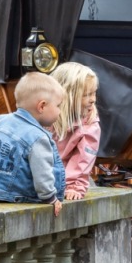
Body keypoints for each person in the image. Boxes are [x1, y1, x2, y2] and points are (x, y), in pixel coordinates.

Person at [0, 71, 67, 216]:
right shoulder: (38, 137)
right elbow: (42, 175)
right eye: (58, 106)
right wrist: (50, 198)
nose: (59, 112)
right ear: (42, 106)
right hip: (9, 197)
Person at [50, 62, 101, 200]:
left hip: (68, 178)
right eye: (87, 95)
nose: (93, 99)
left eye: (94, 93)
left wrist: (74, 186)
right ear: (67, 95)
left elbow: (83, 160)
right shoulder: (45, 117)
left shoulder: (90, 124)